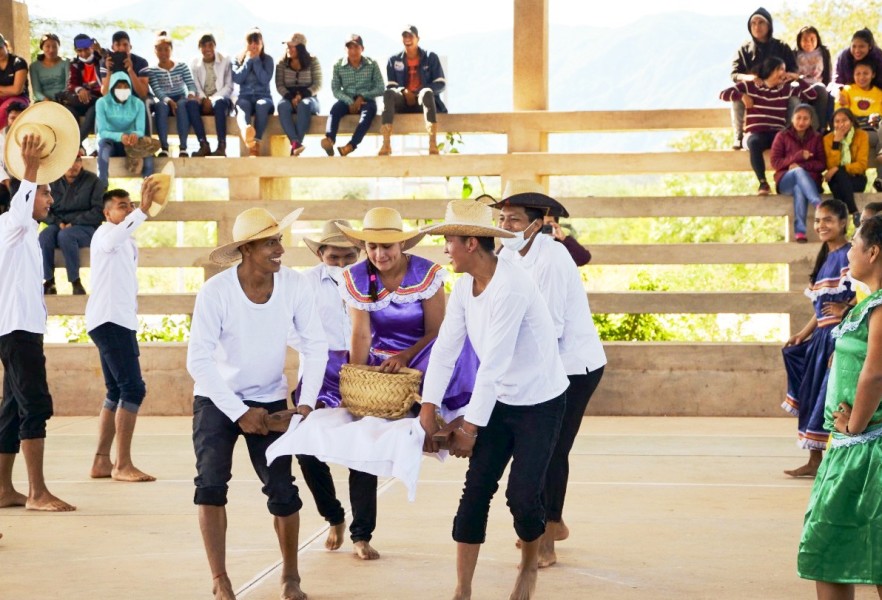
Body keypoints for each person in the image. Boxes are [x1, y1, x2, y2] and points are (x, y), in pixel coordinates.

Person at [419, 198, 569, 600]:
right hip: (500, 399)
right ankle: (462, 589)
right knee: (476, 491)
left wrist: (469, 428)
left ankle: (528, 569)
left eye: (449, 241)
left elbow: (493, 364)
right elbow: (447, 348)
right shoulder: (465, 285)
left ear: (471, 243)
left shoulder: (511, 285)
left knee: (521, 495)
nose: (444, 248)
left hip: (540, 400)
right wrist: (427, 408)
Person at [187, 207, 328, 600]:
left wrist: (307, 403)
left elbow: (315, 346)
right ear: (247, 249)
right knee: (211, 486)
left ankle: (291, 577)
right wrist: (239, 412)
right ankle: (220, 579)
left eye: (279, 240)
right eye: (271, 242)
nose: (280, 249)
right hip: (218, 398)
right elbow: (197, 360)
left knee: (283, 491)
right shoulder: (216, 291)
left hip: (269, 397)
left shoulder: (294, 286)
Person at [335, 207, 478, 558]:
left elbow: (437, 332)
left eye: (388, 246)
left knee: (455, 354)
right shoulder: (356, 276)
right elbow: (361, 332)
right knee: (363, 436)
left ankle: (447, 412)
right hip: (381, 363)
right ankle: (360, 534)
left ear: (401, 244)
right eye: (372, 247)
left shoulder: (426, 274)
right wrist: (359, 380)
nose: (380, 254)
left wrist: (405, 358)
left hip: (427, 353)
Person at [491, 181, 606, 568]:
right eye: (502, 218)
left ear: (537, 225)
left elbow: (551, 327)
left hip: (573, 365)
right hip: (540, 361)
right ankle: (548, 524)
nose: (506, 226)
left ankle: (548, 535)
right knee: (542, 448)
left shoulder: (554, 257)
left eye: (515, 220)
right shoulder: (506, 257)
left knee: (552, 448)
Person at [796, 215, 882, 597]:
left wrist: (855, 425)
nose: (850, 250)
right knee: (836, 549)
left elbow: (876, 373)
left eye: (856, 243)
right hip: (854, 445)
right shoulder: (870, 303)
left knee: (831, 544)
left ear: (874, 252)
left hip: (867, 447)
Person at [0, 122, 78, 512]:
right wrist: (29, 169)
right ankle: (37, 493)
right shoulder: (12, 224)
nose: (50, 197)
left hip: (21, 328)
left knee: (13, 407)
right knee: (34, 405)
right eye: (46, 192)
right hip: (17, 331)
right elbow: (21, 203)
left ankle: (3, 490)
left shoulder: (26, 232)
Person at [87, 180, 168, 483]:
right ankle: (122, 464)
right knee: (133, 388)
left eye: (131, 204)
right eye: (123, 206)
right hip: (110, 321)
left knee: (116, 390)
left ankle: (101, 461)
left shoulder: (124, 240)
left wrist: (139, 211)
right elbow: (114, 239)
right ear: (107, 214)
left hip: (116, 320)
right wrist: (144, 210)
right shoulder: (107, 234)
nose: (130, 208)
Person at [291, 220, 359, 553]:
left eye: (349, 257)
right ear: (320, 254)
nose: (342, 264)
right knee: (306, 449)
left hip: (363, 374)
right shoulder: (302, 284)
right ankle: (334, 516)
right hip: (318, 375)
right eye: (335, 258)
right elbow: (287, 326)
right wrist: (317, 350)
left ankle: (363, 534)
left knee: (363, 451)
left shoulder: (368, 281)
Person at [782, 199, 854, 478]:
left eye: (828, 220)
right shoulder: (825, 257)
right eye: (817, 220)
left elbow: (863, 296)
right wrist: (803, 333)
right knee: (813, 395)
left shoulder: (850, 254)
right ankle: (814, 460)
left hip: (839, 336)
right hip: (821, 337)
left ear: (843, 223)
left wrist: (845, 310)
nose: (821, 225)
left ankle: (841, 462)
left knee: (833, 398)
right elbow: (821, 308)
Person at [721, 56, 817, 195]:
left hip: (776, 133)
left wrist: (798, 79)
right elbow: (723, 93)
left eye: (785, 70)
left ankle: (788, 183)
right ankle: (763, 183)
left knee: (790, 143)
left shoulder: (786, 89)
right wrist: (742, 96)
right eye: (780, 69)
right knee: (754, 142)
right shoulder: (751, 86)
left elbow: (812, 95)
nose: (784, 73)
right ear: (770, 70)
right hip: (756, 133)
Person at [40, 149, 106, 295]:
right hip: (59, 224)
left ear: (81, 162)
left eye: (77, 161)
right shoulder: (52, 182)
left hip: (86, 227)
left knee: (66, 236)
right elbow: (44, 208)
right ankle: (49, 281)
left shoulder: (93, 181)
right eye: (69, 162)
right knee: (44, 236)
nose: (73, 165)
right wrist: (57, 223)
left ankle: (75, 281)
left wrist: (74, 223)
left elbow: (99, 210)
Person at [729, 8, 797, 149]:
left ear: (769, 25)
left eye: (761, 22)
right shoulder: (744, 49)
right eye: (753, 23)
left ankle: (789, 135)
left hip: (778, 94)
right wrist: (749, 78)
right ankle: (738, 136)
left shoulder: (781, 47)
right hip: (754, 95)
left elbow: (794, 70)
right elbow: (734, 75)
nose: (757, 26)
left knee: (795, 100)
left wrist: (786, 76)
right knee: (736, 99)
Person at [379, 25, 446, 156]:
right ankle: (386, 144)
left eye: (411, 36)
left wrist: (419, 91)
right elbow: (391, 86)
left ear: (418, 38)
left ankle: (432, 142)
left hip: (423, 103)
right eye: (405, 36)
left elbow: (441, 83)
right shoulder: (394, 60)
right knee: (388, 94)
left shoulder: (430, 57)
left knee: (426, 93)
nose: (407, 39)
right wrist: (404, 90)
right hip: (403, 102)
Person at [146, 31, 209, 158]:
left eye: (166, 49)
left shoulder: (181, 66)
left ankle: (183, 147)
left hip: (180, 98)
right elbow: (157, 90)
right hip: (165, 100)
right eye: (160, 50)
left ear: (171, 50)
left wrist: (191, 94)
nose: (163, 53)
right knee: (160, 107)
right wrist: (169, 101)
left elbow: (190, 84)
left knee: (181, 105)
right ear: (155, 51)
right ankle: (164, 147)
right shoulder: (152, 71)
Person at [770, 104, 826, 243]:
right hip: (785, 180)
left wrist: (801, 165)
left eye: (805, 119)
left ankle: (800, 232)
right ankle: (818, 204)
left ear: (811, 120)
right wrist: (798, 156)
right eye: (798, 118)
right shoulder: (782, 136)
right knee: (797, 173)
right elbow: (776, 163)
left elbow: (822, 164)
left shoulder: (817, 137)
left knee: (799, 188)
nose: (801, 122)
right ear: (792, 118)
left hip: (810, 182)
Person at [322, 34, 384, 157]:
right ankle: (329, 140)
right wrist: (349, 101)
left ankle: (351, 146)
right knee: (335, 110)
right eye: (350, 48)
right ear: (346, 50)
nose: (353, 51)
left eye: (356, 47)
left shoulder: (372, 64)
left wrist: (363, 96)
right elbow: (335, 89)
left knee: (367, 116)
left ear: (362, 49)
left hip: (367, 100)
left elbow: (380, 87)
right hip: (347, 99)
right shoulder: (338, 65)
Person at [95, 71, 157, 183]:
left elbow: (140, 130)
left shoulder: (137, 103)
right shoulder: (102, 102)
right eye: (119, 86)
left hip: (132, 144)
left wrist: (135, 135)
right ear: (112, 87)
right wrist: (120, 136)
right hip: (111, 143)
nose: (123, 90)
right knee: (103, 148)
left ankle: (148, 186)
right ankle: (102, 184)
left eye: (126, 86)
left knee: (148, 157)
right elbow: (102, 131)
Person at [276, 33, 321, 157]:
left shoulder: (313, 60)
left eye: (292, 46)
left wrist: (302, 95)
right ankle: (295, 143)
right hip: (288, 97)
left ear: (301, 47)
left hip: (310, 98)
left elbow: (318, 84)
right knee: (282, 107)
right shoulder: (281, 62)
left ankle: (296, 145)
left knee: (304, 105)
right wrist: (290, 98)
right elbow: (279, 85)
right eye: (288, 46)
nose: (288, 49)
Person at [232, 28, 274, 158]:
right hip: (245, 96)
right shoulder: (237, 59)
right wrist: (247, 61)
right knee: (242, 106)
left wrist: (255, 61)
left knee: (261, 105)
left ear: (262, 44)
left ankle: (256, 143)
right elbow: (238, 78)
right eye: (251, 42)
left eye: (257, 43)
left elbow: (264, 79)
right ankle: (246, 131)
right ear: (246, 44)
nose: (254, 46)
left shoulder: (268, 60)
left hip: (264, 96)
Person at [190, 33, 234, 157]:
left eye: (210, 45)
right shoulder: (195, 63)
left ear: (215, 46)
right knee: (191, 104)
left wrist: (212, 99)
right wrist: (204, 99)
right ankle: (203, 144)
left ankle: (221, 146)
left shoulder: (225, 60)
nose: (207, 49)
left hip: (222, 101)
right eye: (204, 46)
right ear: (199, 48)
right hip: (203, 101)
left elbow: (229, 86)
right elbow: (196, 86)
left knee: (219, 102)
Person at [824, 108, 868, 224]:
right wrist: (836, 143)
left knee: (838, 181)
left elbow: (861, 165)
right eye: (837, 121)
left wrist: (840, 168)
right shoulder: (828, 139)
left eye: (844, 120)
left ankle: (841, 223)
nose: (840, 124)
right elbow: (830, 166)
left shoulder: (862, 136)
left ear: (852, 121)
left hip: (857, 179)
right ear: (832, 124)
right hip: (837, 180)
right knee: (838, 180)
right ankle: (854, 212)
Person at [62, 34, 105, 147]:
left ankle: (75, 143)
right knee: (69, 111)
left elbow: (110, 59)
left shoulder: (101, 60)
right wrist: (80, 90)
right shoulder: (75, 63)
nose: (84, 54)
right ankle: (78, 147)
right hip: (80, 100)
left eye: (86, 49)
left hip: (97, 99)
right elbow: (72, 84)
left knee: (94, 109)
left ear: (92, 47)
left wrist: (101, 51)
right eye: (79, 50)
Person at [834, 60, 882, 156]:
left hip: (873, 127)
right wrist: (845, 105)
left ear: (873, 75)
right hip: (854, 125)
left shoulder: (879, 93)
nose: (861, 77)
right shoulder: (847, 90)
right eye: (858, 74)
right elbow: (839, 113)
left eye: (865, 73)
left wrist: (877, 118)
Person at [794, 26, 832, 129]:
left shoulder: (823, 52)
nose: (808, 42)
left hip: (817, 84)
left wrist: (828, 86)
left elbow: (828, 72)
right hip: (800, 84)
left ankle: (821, 128)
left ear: (817, 40)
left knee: (821, 89)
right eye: (805, 39)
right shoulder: (795, 53)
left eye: (812, 39)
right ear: (799, 40)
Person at [100, 30, 150, 101]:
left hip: (137, 99)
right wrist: (109, 72)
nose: (122, 48)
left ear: (130, 46)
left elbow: (143, 93)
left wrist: (131, 71)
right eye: (118, 45)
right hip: (116, 100)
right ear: (112, 47)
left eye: (125, 45)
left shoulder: (141, 62)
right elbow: (105, 93)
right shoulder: (106, 63)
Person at [832, 28, 882, 92]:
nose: (857, 50)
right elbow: (837, 81)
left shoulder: (878, 58)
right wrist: (842, 91)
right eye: (854, 46)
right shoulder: (843, 57)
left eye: (861, 46)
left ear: (870, 47)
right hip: (848, 93)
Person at [0, 100, 26, 214]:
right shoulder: (1, 137)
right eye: (12, 118)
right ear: (8, 119)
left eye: (19, 118)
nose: (15, 122)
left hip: (26, 178)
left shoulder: (32, 135)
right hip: (6, 180)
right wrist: (6, 181)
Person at [29, 33, 69, 105]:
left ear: (58, 47)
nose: (51, 50)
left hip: (63, 100)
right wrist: (46, 100)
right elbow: (36, 91)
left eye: (54, 47)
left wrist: (59, 99)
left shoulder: (66, 62)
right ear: (42, 47)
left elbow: (68, 85)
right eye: (47, 46)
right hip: (44, 102)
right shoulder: (34, 66)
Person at [0, 32, 30, 129]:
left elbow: (17, 90)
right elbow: (12, 89)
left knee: (3, 111)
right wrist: (9, 90)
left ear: (5, 45)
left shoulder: (18, 62)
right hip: (2, 97)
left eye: (0, 48)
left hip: (19, 99)